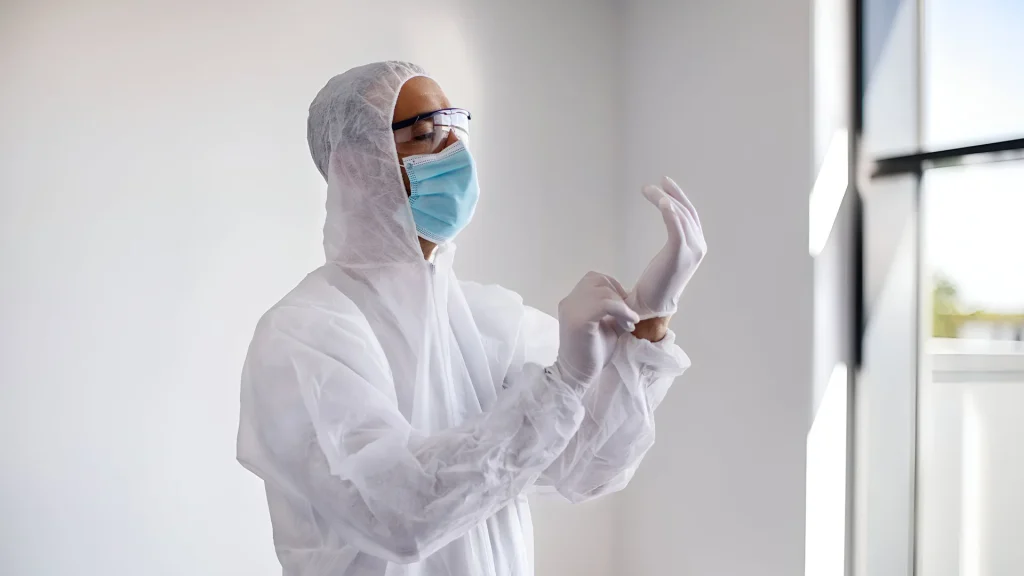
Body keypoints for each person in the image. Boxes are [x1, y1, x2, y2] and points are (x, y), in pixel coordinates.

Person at [236, 61, 706, 576]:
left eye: (456, 127)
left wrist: (649, 324)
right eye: (426, 134)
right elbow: (399, 514)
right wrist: (565, 383)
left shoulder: (485, 319)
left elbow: (587, 467)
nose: (455, 152)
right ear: (356, 165)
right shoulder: (304, 332)